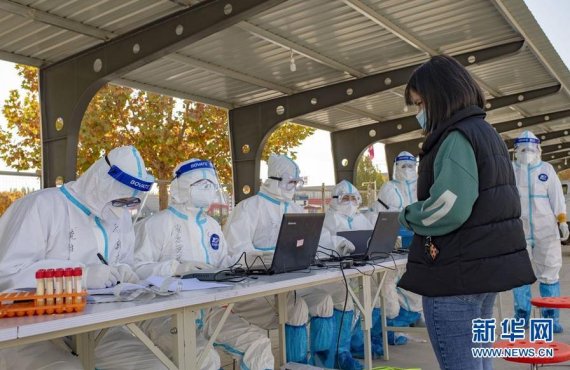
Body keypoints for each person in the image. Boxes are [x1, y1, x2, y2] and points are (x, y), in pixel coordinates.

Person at [397, 55, 536, 370]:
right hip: (480, 273)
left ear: (440, 97)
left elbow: (449, 207)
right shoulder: (486, 133)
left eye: (420, 104)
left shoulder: (456, 137)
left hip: (455, 278)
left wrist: (407, 216)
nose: (419, 113)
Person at [0, 146, 171, 370]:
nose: (123, 210)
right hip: (29, 330)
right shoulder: (41, 206)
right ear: (100, 183)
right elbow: (7, 277)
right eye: (119, 200)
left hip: (99, 327)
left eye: (130, 203)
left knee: (155, 366)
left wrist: (127, 273)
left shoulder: (119, 218)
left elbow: (125, 263)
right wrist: (81, 276)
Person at [134, 158, 272, 370]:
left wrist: (256, 260)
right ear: (181, 186)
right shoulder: (157, 224)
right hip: (164, 314)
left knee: (259, 344)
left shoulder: (212, 226)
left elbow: (224, 261)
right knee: (205, 359)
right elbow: (136, 269)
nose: (208, 190)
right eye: (201, 185)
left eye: (211, 185)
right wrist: (176, 268)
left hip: (209, 310)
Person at [223, 154, 324, 366]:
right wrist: (266, 257)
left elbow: (314, 242)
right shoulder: (248, 208)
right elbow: (235, 252)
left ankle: (319, 362)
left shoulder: (295, 209)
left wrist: (336, 244)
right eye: (290, 182)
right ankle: (295, 363)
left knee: (321, 301)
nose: (294, 187)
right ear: (274, 180)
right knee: (296, 307)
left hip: (290, 281)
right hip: (255, 289)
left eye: (296, 183)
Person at [316, 180, 386, 366]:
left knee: (371, 297)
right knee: (345, 302)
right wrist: (338, 245)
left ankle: (356, 343)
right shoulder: (328, 219)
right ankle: (338, 352)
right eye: (345, 198)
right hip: (334, 273)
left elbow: (371, 236)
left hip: (358, 268)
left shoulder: (359, 217)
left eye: (354, 198)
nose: (350, 202)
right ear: (335, 199)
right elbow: (322, 243)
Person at [511, 130, 569, 333]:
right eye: (523, 149)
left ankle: (550, 318)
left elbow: (557, 197)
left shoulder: (546, 169)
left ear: (538, 149)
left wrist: (562, 220)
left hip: (546, 230)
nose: (527, 152)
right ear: (516, 150)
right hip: (518, 230)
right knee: (519, 275)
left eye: (531, 148)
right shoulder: (510, 170)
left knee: (550, 274)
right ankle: (521, 317)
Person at [370, 152, 423, 328]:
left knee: (418, 282)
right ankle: (387, 326)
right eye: (403, 166)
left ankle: (411, 317)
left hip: (419, 241)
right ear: (396, 167)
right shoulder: (389, 188)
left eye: (411, 166)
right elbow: (383, 216)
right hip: (396, 243)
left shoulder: (421, 185)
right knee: (389, 283)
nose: (408, 170)